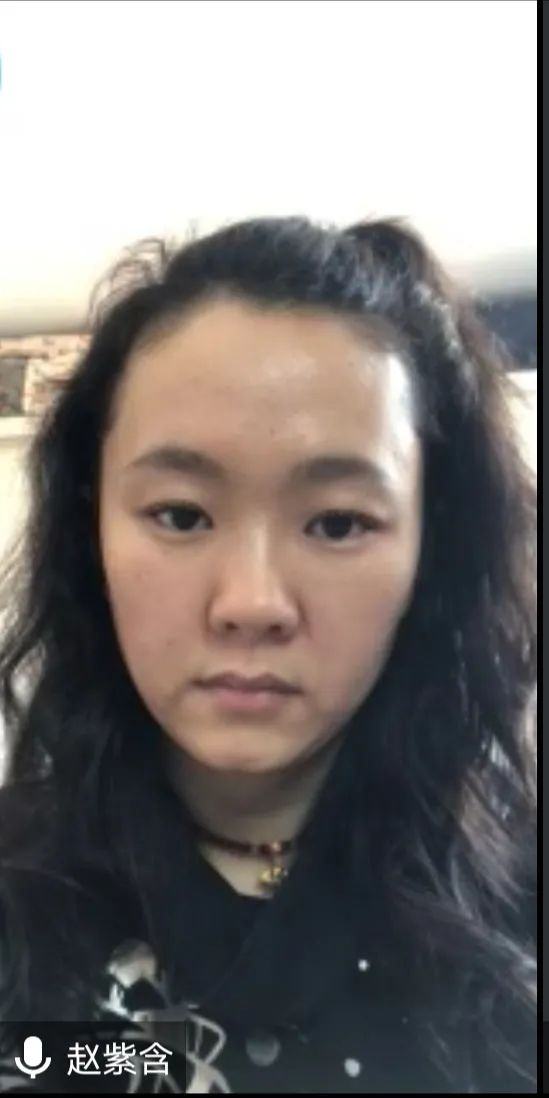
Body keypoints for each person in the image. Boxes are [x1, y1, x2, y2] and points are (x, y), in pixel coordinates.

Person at [0, 217, 536, 1093]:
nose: (251, 604)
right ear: (89, 530)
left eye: (338, 523)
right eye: (181, 515)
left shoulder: (518, 902)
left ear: (430, 551)